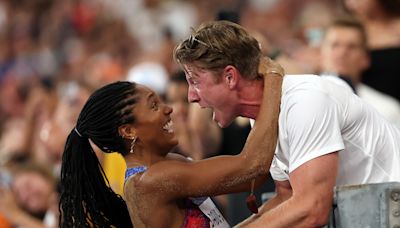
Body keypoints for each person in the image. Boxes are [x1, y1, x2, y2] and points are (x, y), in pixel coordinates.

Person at [174, 20, 400, 227]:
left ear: (230, 77)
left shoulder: (305, 100)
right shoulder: (264, 115)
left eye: (195, 82)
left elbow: (312, 208)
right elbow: (287, 195)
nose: (191, 96)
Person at [59, 58, 284, 227]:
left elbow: (254, 174)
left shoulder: (161, 168)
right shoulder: (152, 181)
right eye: (154, 106)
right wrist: (273, 76)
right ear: (128, 131)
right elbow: (253, 167)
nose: (169, 109)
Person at [320, 17, 400, 128]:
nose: (342, 52)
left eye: (351, 47)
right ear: (321, 53)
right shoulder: (297, 99)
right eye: (335, 45)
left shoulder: (387, 110)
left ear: (365, 59)